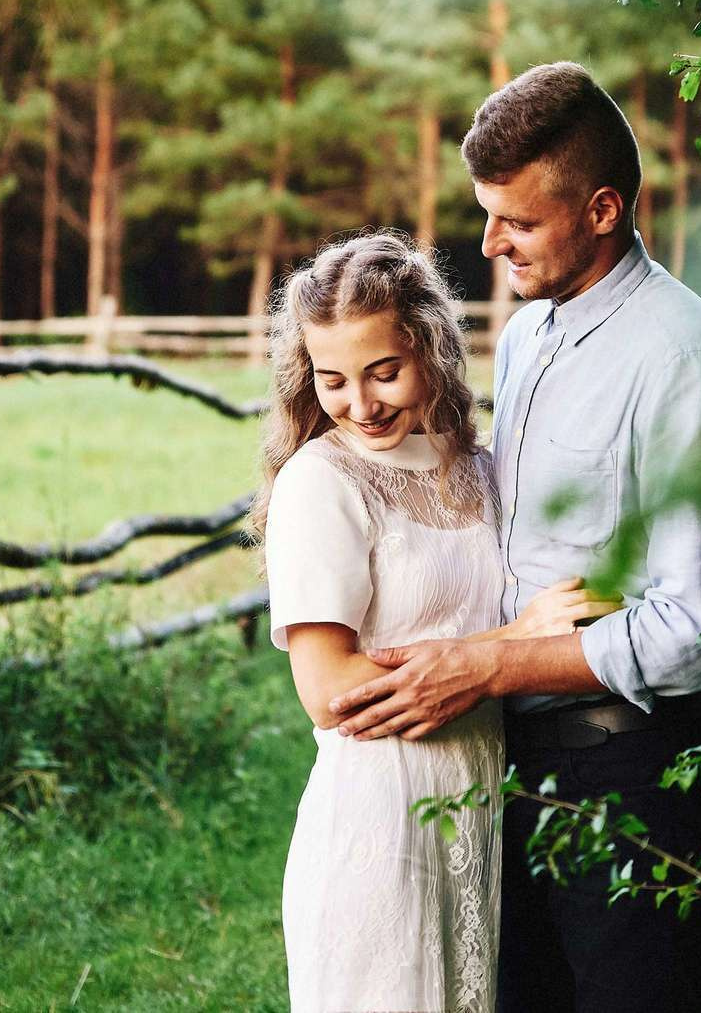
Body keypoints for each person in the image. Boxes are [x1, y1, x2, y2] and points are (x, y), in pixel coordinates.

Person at [329, 63, 701, 1013]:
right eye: (487, 214)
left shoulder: (683, 359)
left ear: (603, 209)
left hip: (637, 769)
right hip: (517, 768)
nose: (489, 243)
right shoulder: (529, 336)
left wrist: (491, 664)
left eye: (516, 222)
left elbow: (696, 633)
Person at [259, 231, 615, 1013]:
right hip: (378, 819)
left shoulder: (473, 466)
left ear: (431, 349)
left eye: (385, 371)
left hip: (478, 802)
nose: (360, 403)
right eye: (333, 380)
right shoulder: (321, 483)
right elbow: (330, 691)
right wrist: (517, 641)